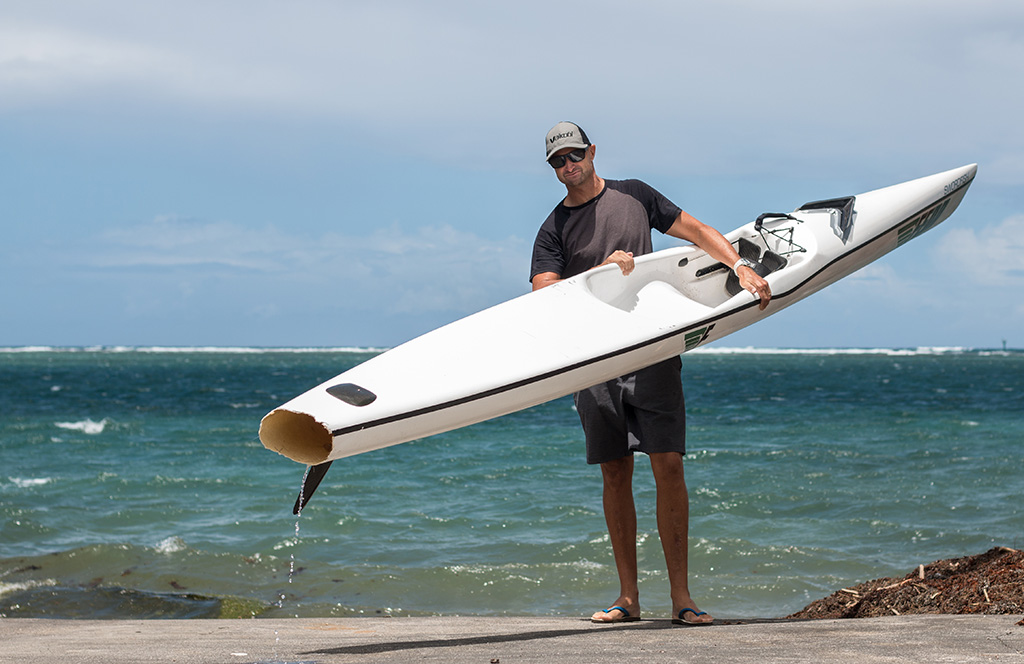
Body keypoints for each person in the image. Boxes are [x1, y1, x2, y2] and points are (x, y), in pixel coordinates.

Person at [530, 121, 771, 625]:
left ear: (593, 151)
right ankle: (628, 599)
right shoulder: (553, 229)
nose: (568, 165)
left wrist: (740, 266)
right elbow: (545, 298)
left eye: (575, 154)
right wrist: (599, 276)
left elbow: (697, 231)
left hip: (652, 352)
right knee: (615, 472)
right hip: (595, 363)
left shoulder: (635, 197)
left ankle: (682, 598)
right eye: (557, 161)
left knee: (669, 466)